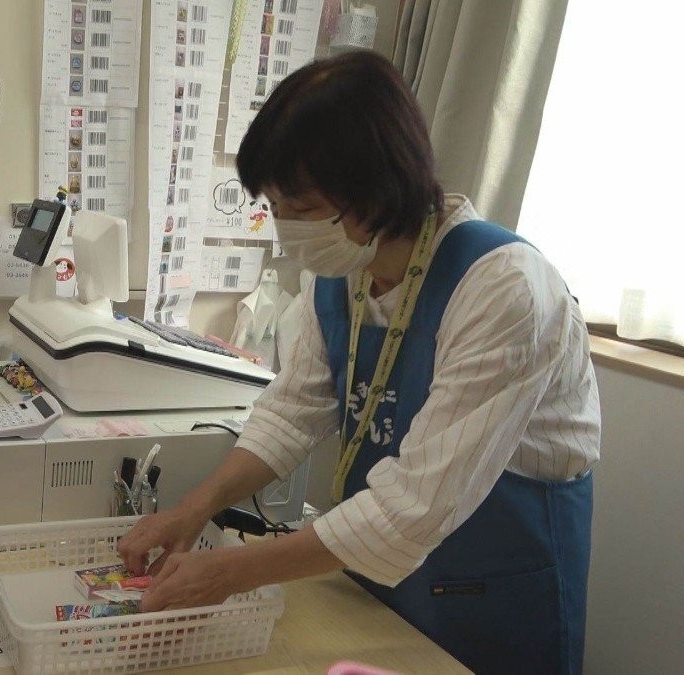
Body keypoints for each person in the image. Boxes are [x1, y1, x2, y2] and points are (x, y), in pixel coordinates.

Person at [118, 50, 600, 675]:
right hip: (385, 577)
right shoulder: (341, 276)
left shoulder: (503, 287)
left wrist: (228, 571)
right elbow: (289, 415)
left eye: (300, 207)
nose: (284, 229)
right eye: (276, 206)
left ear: (372, 190)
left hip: (498, 583)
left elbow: (416, 505)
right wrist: (190, 512)